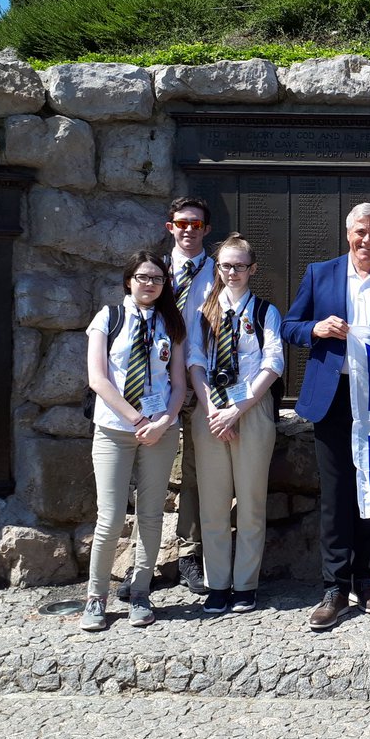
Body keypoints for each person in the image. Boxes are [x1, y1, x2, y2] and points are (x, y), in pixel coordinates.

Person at [281, 203, 370, 630]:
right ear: (348, 233)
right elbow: (289, 326)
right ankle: (335, 587)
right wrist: (317, 329)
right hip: (332, 398)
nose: (367, 240)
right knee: (337, 493)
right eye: (361, 232)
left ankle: (365, 578)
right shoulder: (319, 273)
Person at [81, 252, 187, 632]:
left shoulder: (170, 324)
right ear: (129, 280)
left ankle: (140, 592)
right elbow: (98, 379)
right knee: (109, 518)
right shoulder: (108, 318)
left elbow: (178, 384)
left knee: (151, 516)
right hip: (115, 428)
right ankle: (96, 598)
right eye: (143, 277)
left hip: (159, 431)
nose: (150, 284)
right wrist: (137, 419)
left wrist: (163, 421)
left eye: (158, 278)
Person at [187, 233, 283, 615]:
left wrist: (237, 409)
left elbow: (273, 363)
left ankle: (245, 584)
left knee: (250, 502)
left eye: (239, 266)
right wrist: (214, 408)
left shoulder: (264, 312)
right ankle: (218, 584)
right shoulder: (203, 313)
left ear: (252, 269)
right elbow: (195, 360)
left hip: (251, 410)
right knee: (212, 504)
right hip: (210, 411)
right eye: (226, 265)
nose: (232, 272)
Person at [161, 197, 216, 597]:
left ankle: (189, 553)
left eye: (196, 225)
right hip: (156, 386)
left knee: (196, 475)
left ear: (206, 231)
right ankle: (145, 560)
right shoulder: (153, 273)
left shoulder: (220, 273)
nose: (188, 230)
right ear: (170, 227)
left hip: (201, 383)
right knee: (151, 472)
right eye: (182, 223)